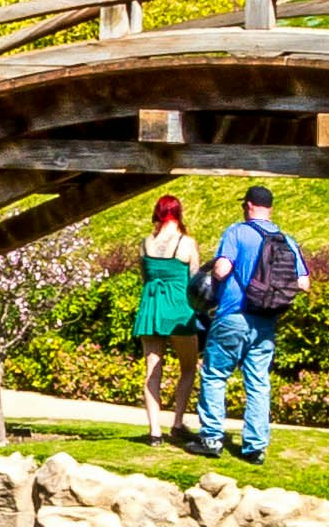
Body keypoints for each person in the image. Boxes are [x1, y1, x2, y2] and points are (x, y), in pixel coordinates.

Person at [194, 182, 301, 458]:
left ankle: (211, 439)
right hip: (265, 320)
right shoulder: (287, 240)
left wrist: (215, 270)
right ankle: (255, 447)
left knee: (216, 374)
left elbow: (222, 269)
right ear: (270, 208)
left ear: (249, 206)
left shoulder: (237, 232)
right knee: (258, 382)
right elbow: (304, 282)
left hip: (233, 314)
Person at [126, 195, 205, 442]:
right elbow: (196, 281)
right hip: (179, 309)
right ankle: (178, 422)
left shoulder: (145, 243)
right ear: (179, 213)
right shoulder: (186, 243)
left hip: (151, 308)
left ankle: (154, 431)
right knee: (189, 367)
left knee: (152, 370)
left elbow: (144, 277)